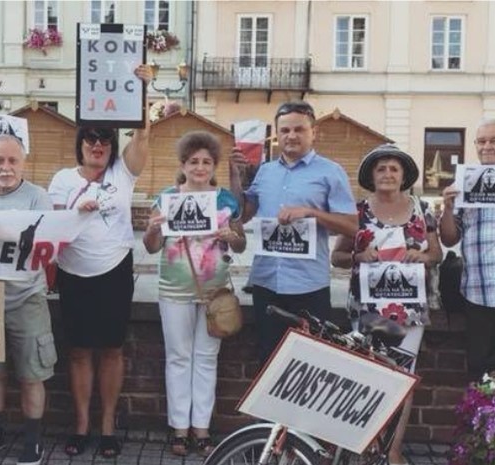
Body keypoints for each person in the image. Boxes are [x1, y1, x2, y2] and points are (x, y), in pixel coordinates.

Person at [47, 64, 152, 459]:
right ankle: (80, 425)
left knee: (111, 350)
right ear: (80, 144)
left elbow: (143, 135)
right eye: (91, 138)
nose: (98, 145)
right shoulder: (62, 179)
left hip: (114, 271)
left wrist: (143, 89)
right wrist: (77, 211)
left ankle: (107, 426)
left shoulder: (123, 173)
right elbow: (53, 227)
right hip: (73, 272)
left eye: (105, 139)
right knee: (77, 351)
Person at [331, 144, 441, 465]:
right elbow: (337, 257)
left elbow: (437, 254)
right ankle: (368, 444)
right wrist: (359, 255)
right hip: (370, 309)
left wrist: (422, 256)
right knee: (370, 373)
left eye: (394, 169)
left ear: (404, 176)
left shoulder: (422, 209)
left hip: (408, 308)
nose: (388, 174)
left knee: (403, 376)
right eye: (381, 169)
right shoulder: (358, 212)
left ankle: (392, 449)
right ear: (372, 175)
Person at [229, 101, 358, 363]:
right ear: (277, 134)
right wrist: (234, 177)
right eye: (285, 130)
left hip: (309, 285)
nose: (291, 136)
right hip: (267, 282)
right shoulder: (265, 171)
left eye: (299, 129)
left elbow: (352, 227)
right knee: (269, 361)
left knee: (309, 364)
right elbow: (242, 215)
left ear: (313, 132)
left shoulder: (331, 172)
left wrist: (311, 212)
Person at [142, 131, 246, 457]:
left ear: (214, 166)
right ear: (183, 165)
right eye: (193, 162)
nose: (200, 167)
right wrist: (152, 229)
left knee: (206, 358)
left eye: (206, 162)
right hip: (174, 290)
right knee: (178, 358)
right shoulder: (167, 198)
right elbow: (152, 247)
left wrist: (231, 236)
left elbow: (241, 244)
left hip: (214, 293)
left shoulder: (226, 200)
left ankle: (201, 428)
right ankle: (179, 428)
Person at [0, 135, 56, 465]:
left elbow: (45, 241)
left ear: (24, 162)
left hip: (27, 297)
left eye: (12, 161)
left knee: (32, 374)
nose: (6, 167)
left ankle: (33, 440)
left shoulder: (37, 197)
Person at [439, 118, 495, 378]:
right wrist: (448, 208)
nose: (487, 146)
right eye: (482, 141)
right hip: (478, 291)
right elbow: (450, 239)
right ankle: (482, 407)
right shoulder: (464, 182)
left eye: (493, 141)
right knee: (479, 368)